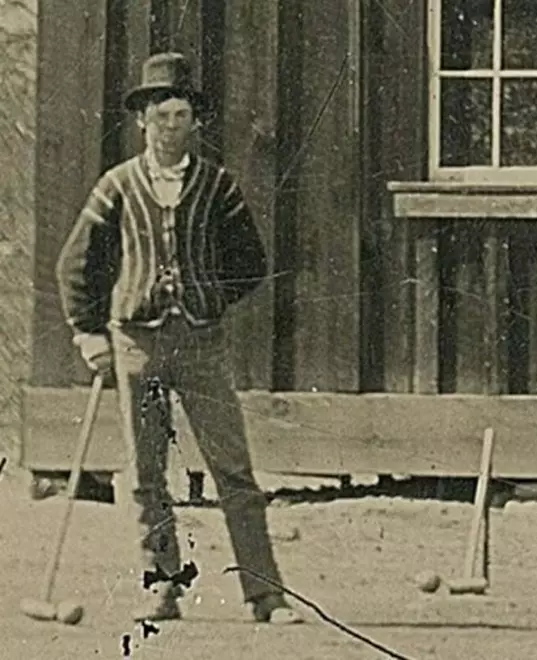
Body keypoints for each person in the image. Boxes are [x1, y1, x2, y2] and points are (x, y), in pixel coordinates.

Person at [55, 52, 304, 625]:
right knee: (145, 473)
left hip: (201, 343)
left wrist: (207, 297)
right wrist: (89, 335)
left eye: (181, 114)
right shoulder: (116, 185)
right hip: (135, 344)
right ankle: (161, 587)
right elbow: (75, 266)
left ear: (196, 122)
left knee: (234, 470)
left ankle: (266, 595)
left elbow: (250, 262)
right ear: (142, 120)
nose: (171, 126)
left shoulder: (218, 186)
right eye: (161, 115)